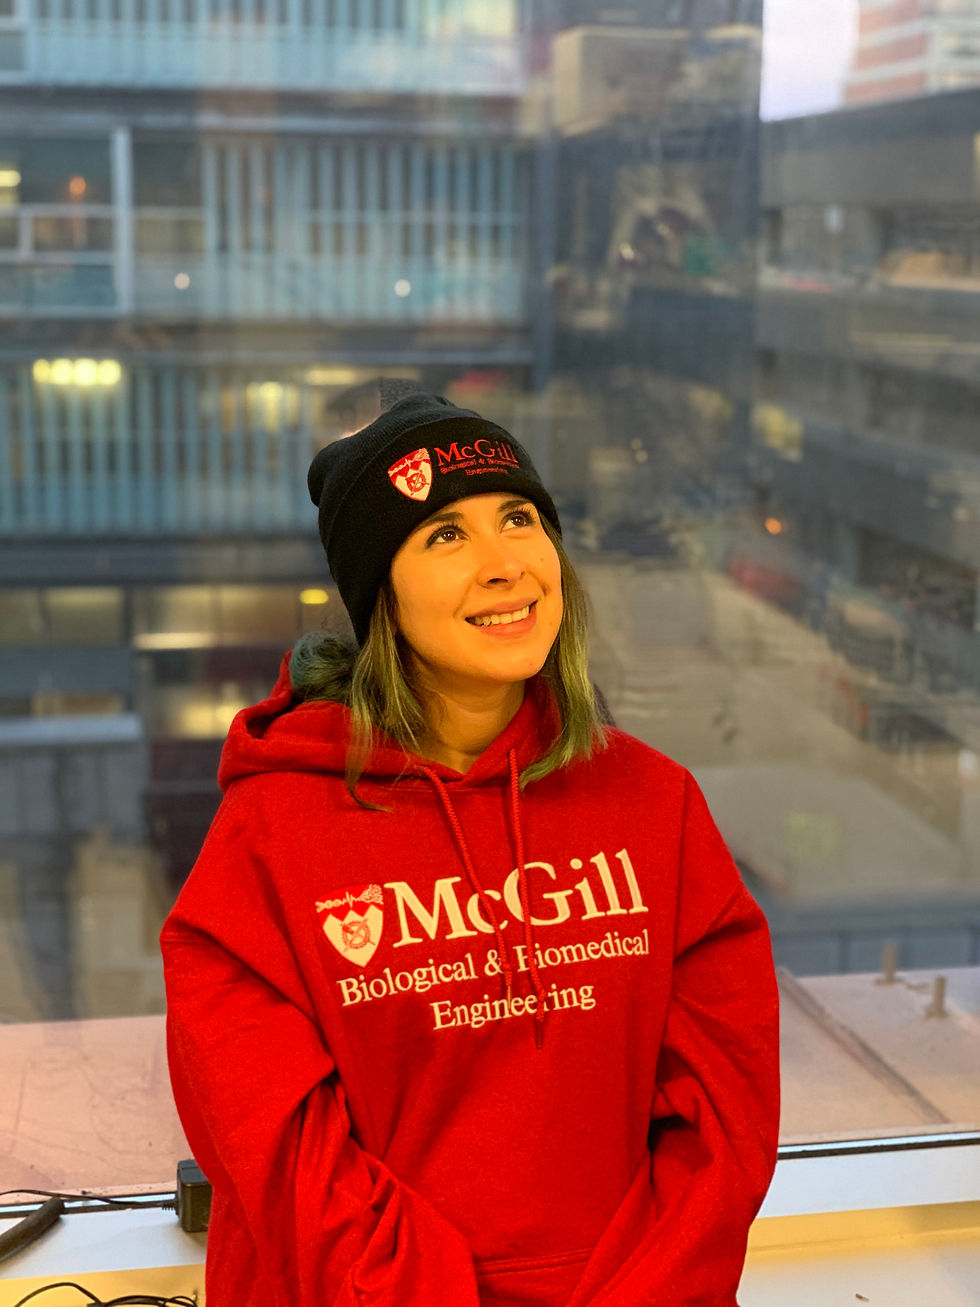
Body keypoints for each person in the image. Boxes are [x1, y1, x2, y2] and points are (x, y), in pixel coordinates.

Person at [160, 391, 780, 1307]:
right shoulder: (269, 838)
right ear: (381, 591)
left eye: (519, 518)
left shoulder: (656, 805)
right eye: (445, 535)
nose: (504, 565)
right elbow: (282, 1158)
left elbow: (723, 1121)